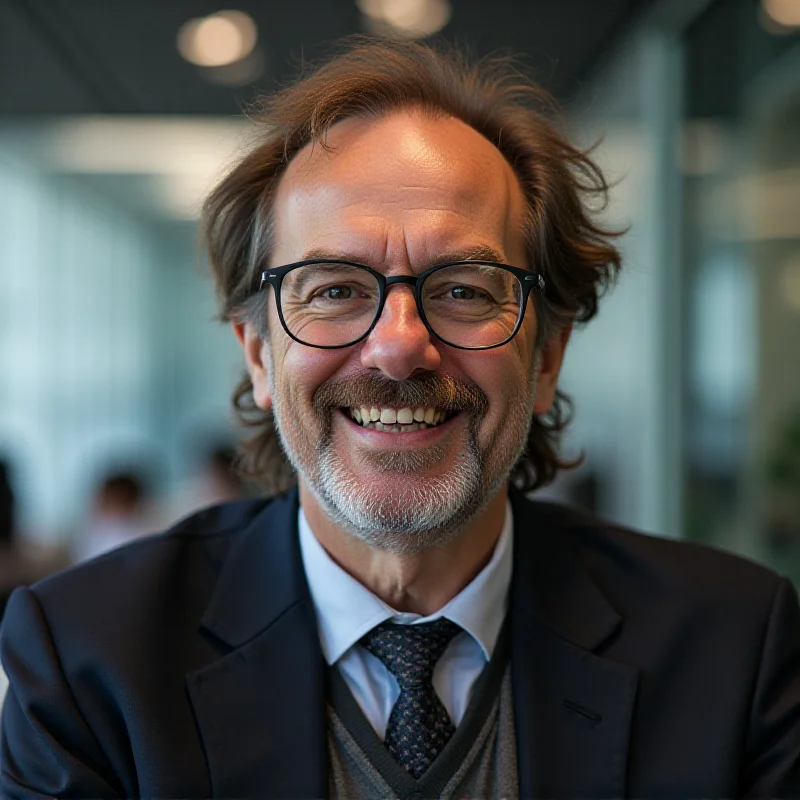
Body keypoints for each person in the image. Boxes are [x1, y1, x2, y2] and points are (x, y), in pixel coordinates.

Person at [2, 39, 799, 799]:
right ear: (258, 357)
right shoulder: (87, 655)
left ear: (548, 356)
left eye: (464, 289)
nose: (398, 349)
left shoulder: (732, 648)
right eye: (335, 289)